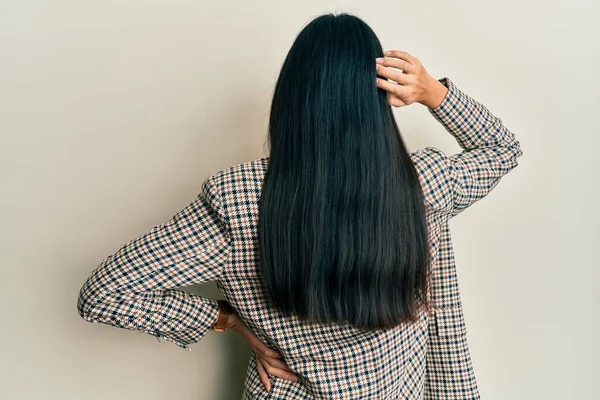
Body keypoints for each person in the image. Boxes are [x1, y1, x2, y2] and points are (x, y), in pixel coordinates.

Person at [77, 12, 522, 400]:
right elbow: (502, 149)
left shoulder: (237, 199)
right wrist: (432, 92)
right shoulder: (425, 183)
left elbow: (104, 294)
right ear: (379, 97)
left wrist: (226, 319)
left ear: (291, 99)